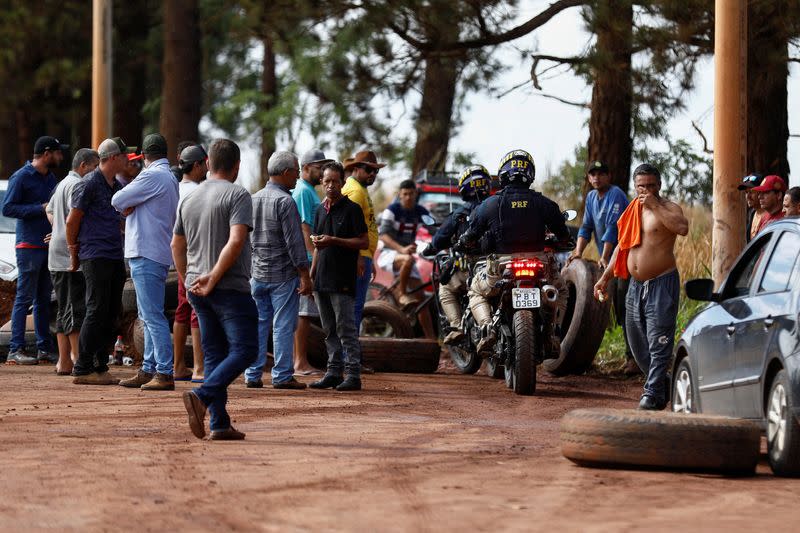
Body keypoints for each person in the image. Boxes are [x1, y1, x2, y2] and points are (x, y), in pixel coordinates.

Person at [173, 138, 257, 441]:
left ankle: (219, 423)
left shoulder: (189, 198)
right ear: (236, 167)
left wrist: (188, 278)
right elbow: (236, 241)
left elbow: (176, 244)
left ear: (208, 163)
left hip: (197, 287)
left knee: (215, 354)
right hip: (228, 287)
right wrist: (214, 276)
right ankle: (203, 396)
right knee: (247, 349)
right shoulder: (238, 195)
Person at [594, 163, 689, 411]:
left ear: (659, 186)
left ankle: (650, 393)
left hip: (662, 283)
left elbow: (683, 228)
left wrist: (655, 205)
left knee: (659, 342)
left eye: (650, 185)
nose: (645, 190)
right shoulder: (632, 209)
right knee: (637, 343)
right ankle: (664, 385)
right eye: (641, 186)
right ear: (634, 187)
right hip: (636, 285)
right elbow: (621, 247)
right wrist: (606, 277)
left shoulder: (668, 208)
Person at [460, 149, 571, 355]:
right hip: (539, 265)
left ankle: (487, 328)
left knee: (475, 290)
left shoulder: (489, 204)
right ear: (530, 174)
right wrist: (562, 240)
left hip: (501, 266)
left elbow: (470, 236)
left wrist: (465, 242)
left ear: (503, 174)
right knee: (561, 290)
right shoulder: (544, 203)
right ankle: (554, 333)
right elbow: (563, 234)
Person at [113, 133, 179, 391]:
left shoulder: (151, 175)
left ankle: (163, 371)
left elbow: (117, 200)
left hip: (146, 251)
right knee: (148, 314)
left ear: (143, 156)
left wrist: (128, 206)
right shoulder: (169, 177)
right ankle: (149, 368)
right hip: (157, 251)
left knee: (152, 316)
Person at [243, 150, 312, 390]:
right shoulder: (285, 202)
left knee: (259, 324)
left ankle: (252, 374)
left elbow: (245, 238)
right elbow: (295, 243)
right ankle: (282, 375)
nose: (297, 177)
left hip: (257, 273)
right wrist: (304, 273)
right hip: (282, 275)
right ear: (285, 173)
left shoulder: (253, 198)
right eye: (296, 172)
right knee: (283, 325)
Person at [66, 137, 132, 385]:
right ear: (114, 157)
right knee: (96, 308)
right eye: (125, 155)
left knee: (111, 310)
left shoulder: (114, 186)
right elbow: (73, 220)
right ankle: (82, 367)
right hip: (94, 255)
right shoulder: (89, 183)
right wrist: (74, 251)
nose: (128, 160)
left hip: (113, 254)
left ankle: (99, 364)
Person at [565, 160, 637, 375]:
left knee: (625, 308)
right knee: (610, 309)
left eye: (601, 173)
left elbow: (614, 231)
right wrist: (578, 252)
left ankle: (633, 359)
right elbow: (586, 227)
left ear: (609, 176)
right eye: (592, 174)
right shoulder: (591, 198)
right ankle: (589, 358)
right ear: (589, 178)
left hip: (626, 259)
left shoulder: (616, 195)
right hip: (609, 262)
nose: (596, 177)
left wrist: (604, 257)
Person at [2, 135, 64, 365]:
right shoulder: (21, 177)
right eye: (57, 152)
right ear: (46, 153)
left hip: (47, 245)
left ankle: (44, 349)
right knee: (24, 298)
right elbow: (8, 207)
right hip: (28, 246)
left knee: (42, 299)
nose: (60, 157)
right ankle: (15, 350)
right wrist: (40, 208)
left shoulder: (50, 178)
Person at [308, 162, 369, 391]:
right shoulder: (319, 210)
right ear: (321, 183)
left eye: (335, 181)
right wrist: (311, 277)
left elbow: (363, 241)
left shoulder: (352, 209)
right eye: (327, 181)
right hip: (321, 280)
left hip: (342, 279)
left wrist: (334, 240)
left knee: (346, 328)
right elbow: (317, 247)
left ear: (343, 183)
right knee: (329, 330)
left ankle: (353, 374)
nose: (331, 186)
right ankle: (333, 372)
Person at [421, 164, 491, 345]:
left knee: (445, 289)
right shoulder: (498, 208)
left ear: (465, 187)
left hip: (471, 268)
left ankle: (456, 326)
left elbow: (440, 238)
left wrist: (429, 248)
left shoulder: (461, 213)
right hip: (496, 265)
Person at [46, 148, 99, 375]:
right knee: (75, 307)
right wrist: (71, 241)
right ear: (84, 166)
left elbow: (49, 210)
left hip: (57, 252)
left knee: (63, 307)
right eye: (95, 167)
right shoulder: (77, 185)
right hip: (69, 255)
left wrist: (56, 229)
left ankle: (64, 361)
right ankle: (78, 359)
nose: (96, 172)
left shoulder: (61, 183)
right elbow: (74, 219)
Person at [291, 149, 332, 376]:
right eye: (318, 167)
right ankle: (300, 362)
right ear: (305, 168)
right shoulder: (304, 192)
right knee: (304, 314)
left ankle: (298, 360)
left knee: (304, 313)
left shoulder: (307, 191)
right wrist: (309, 262)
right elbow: (305, 228)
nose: (322, 172)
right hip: (307, 260)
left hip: (309, 259)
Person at [172, 144, 207, 382]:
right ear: (197, 165)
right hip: (196, 258)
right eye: (204, 163)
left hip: (179, 257)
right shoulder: (199, 192)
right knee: (197, 312)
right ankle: (199, 368)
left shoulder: (175, 189)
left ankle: (177, 366)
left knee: (182, 311)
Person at [341, 151, 383, 330]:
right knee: (353, 309)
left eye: (376, 171)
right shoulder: (355, 191)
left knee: (355, 308)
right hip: (355, 258)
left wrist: (369, 257)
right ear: (356, 169)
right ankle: (348, 354)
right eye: (368, 170)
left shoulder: (361, 189)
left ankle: (349, 352)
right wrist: (359, 256)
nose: (372, 174)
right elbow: (348, 228)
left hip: (363, 255)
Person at [737, 173, 765, 242]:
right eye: (746, 192)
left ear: (761, 192)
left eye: (752, 191)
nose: (748, 196)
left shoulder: (769, 216)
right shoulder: (752, 213)